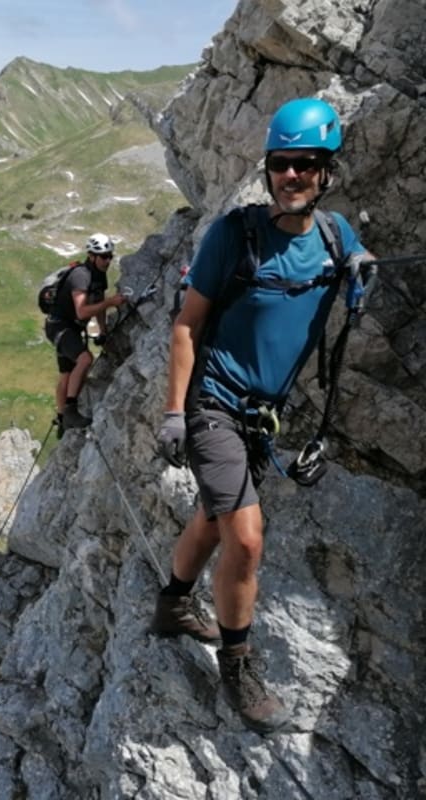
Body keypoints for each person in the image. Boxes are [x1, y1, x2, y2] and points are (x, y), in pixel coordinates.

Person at [153, 98, 371, 733]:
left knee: (215, 518)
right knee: (246, 536)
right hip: (213, 404)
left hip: (260, 416)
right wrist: (174, 412)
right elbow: (187, 324)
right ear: (268, 168)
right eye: (281, 164)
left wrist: (361, 275)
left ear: (326, 170)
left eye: (306, 164)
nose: (292, 176)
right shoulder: (234, 234)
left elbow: (358, 284)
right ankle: (237, 666)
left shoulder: (337, 238)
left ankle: (171, 605)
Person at [45, 233, 126, 435]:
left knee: (66, 374)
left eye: (109, 256)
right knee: (85, 359)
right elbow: (82, 310)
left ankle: (63, 419)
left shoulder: (99, 276)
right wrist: (110, 302)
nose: (107, 260)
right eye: (103, 256)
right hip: (60, 326)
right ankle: (70, 410)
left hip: (68, 328)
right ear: (91, 256)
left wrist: (103, 332)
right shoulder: (81, 276)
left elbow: (97, 306)